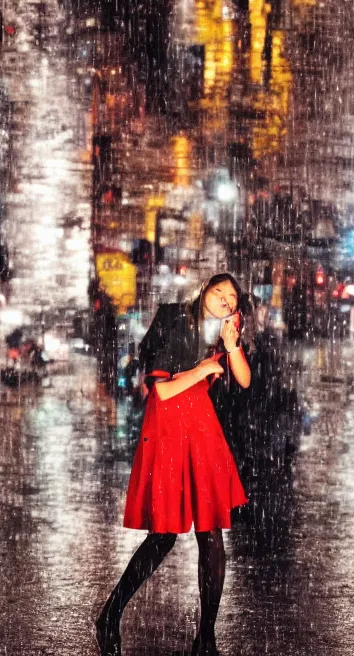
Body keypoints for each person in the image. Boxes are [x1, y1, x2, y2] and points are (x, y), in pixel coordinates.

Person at [96, 273, 252, 656]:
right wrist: (200, 371)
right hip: (168, 429)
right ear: (204, 293)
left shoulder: (223, 336)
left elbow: (245, 381)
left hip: (202, 430)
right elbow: (162, 390)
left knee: (212, 534)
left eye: (232, 297)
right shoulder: (173, 319)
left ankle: (207, 637)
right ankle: (110, 615)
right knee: (163, 535)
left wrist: (232, 349)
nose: (225, 299)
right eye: (218, 291)